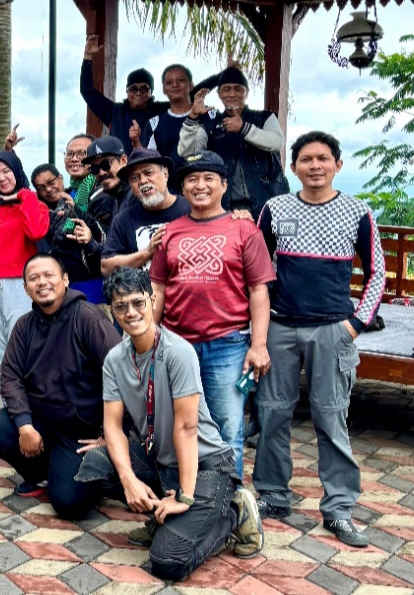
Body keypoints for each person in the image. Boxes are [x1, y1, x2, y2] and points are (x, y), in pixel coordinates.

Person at [78, 268, 263, 580]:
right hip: (160, 461)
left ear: (153, 301)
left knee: (168, 561)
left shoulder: (177, 351)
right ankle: (164, 516)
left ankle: (233, 512)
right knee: (96, 462)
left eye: (138, 302)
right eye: (120, 306)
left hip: (205, 465)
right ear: (112, 311)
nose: (130, 312)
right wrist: (129, 480)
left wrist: (185, 496)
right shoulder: (115, 360)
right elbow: (112, 426)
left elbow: (187, 428)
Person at [253, 132, 384, 548]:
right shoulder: (275, 209)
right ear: (293, 167)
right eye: (306, 159)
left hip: (332, 330)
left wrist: (354, 325)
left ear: (337, 165)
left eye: (323, 159)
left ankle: (339, 508)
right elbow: (256, 272)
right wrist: (259, 331)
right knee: (272, 414)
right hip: (280, 328)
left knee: (331, 417)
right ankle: (273, 495)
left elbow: (377, 273)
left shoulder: (357, 212)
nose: (315, 166)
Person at [149, 151, 273, 479]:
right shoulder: (169, 232)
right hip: (176, 344)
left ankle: (227, 500)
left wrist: (259, 345)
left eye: (208, 179)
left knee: (227, 429)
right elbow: (157, 288)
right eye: (192, 179)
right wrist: (149, 340)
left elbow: (259, 291)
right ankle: (180, 496)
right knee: (177, 425)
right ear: (182, 188)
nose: (200, 185)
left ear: (224, 185)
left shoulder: (245, 231)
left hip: (228, 345)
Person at [0, 254, 119, 518]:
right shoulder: (25, 326)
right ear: (25, 289)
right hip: (41, 422)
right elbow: (10, 377)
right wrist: (24, 425)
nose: (42, 282)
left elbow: (122, 377)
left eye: (49, 275)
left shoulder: (89, 319)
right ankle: (41, 473)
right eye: (34, 278)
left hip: (81, 432)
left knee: (69, 504)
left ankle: (99, 474)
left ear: (65, 280)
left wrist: (111, 435)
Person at [0, 150, 49, 372]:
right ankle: (8, 394)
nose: (1, 178)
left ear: (17, 172)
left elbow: (36, 232)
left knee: (24, 345)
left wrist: (26, 196)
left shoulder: (34, 204)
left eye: (6, 171)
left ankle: (30, 393)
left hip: (21, 285)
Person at [179, 63, 289, 220]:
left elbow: (277, 142)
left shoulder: (265, 118)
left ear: (246, 92)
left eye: (238, 88)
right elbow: (188, 155)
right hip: (225, 209)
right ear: (219, 93)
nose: (232, 93)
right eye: (226, 89)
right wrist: (192, 117)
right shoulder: (210, 125)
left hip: (267, 205)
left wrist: (244, 128)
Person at [101, 148, 190, 274]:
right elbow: (106, 267)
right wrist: (147, 252)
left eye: (148, 173)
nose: (143, 181)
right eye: (135, 178)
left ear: (165, 173)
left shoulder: (191, 208)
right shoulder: (123, 220)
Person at [30, 163, 105, 304]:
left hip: (89, 278)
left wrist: (77, 211)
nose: (48, 189)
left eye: (51, 182)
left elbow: (100, 233)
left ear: (60, 178)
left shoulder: (82, 197)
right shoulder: (38, 213)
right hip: (58, 283)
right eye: (41, 188)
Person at [80, 34, 166, 152]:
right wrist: (87, 57)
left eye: (144, 88)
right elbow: (87, 91)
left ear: (151, 92)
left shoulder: (162, 111)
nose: (138, 93)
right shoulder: (114, 112)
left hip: (152, 163)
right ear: (127, 91)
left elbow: (187, 102)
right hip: (119, 164)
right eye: (133, 88)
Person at [142, 65, 197, 188]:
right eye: (169, 82)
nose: (175, 85)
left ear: (191, 85)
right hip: (170, 193)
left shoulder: (209, 116)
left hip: (206, 191)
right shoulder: (154, 123)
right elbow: (148, 163)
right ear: (164, 89)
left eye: (181, 80)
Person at [83, 136, 135, 231]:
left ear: (123, 160)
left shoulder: (138, 195)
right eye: (95, 168)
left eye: (105, 164)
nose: (101, 172)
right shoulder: (114, 197)